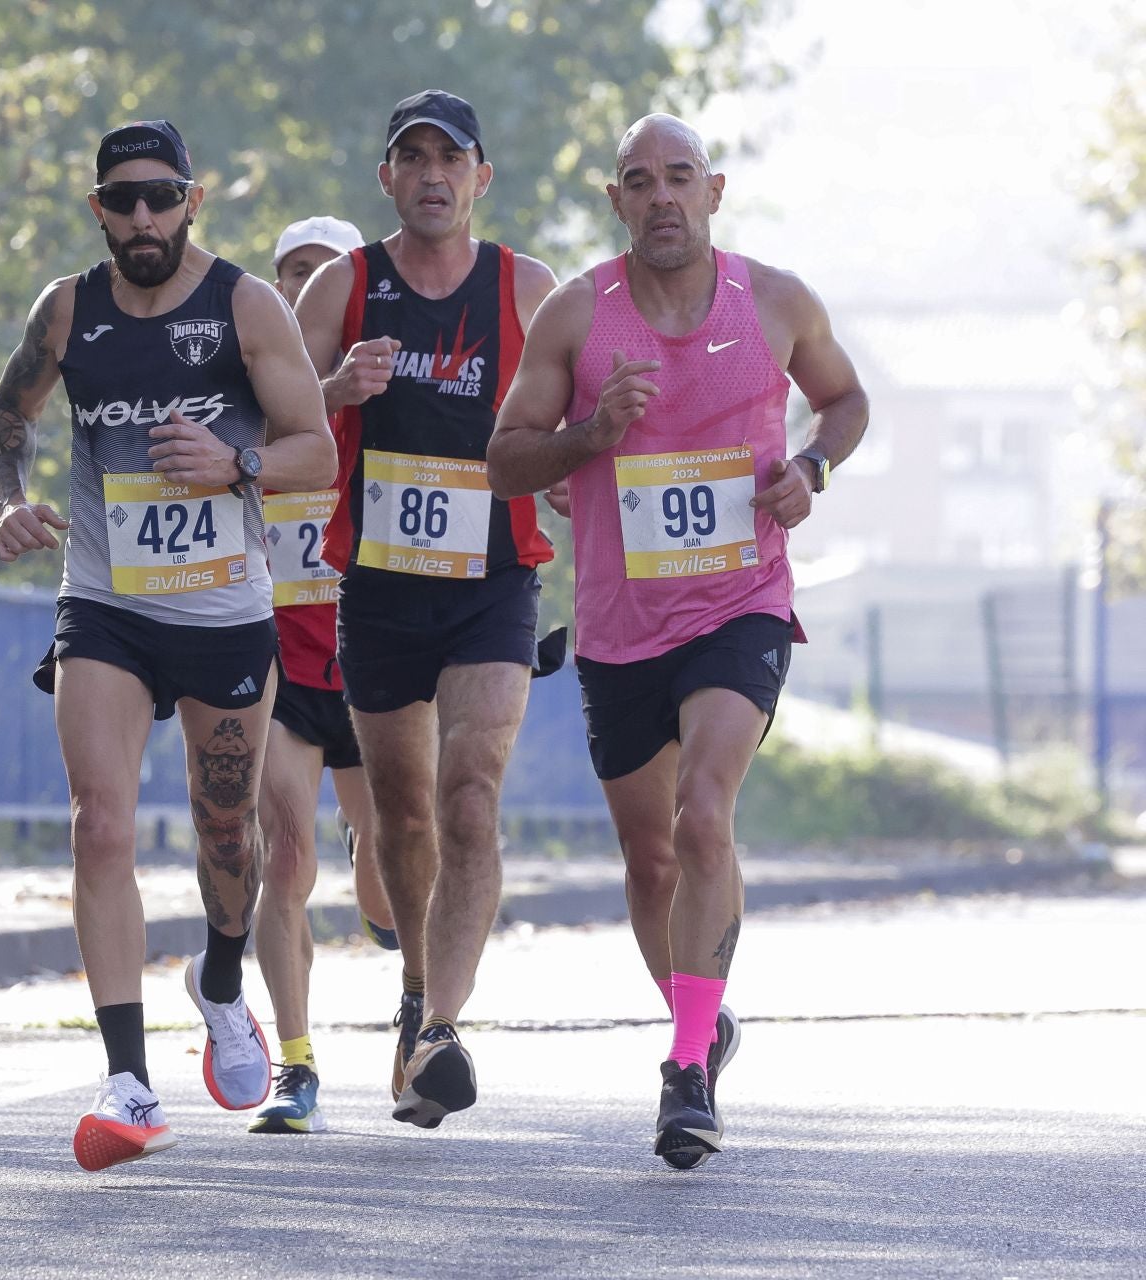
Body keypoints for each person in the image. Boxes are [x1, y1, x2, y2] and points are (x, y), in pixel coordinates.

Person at [487, 114, 868, 1168]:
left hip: (740, 604)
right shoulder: (576, 316)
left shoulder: (777, 300)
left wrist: (811, 471)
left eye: (680, 178)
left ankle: (687, 1066)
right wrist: (590, 436)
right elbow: (507, 459)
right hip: (619, 628)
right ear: (617, 202)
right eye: (639, 182)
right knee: (651, 854)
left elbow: (844, 400)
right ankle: (701, 1010)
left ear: (714, 191)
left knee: (706, 811)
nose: (662, 196)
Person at [0, 121, 335, 1171]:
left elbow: (314, 452)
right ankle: (128, 1081)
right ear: (98, 207)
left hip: (223, 607)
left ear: (192, 200)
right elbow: (11, 414)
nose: (144, 216)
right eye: (123, 198)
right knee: (100, 821)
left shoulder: (244, 304)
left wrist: (233, 461)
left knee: (228, 830)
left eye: (162, 196)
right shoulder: (67, 308)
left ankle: (223, 982)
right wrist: (9, 498)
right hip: (105, 603)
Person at [294, 90, 560, 1129]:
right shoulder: (343, 283)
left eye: (451, 157)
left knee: (469, 798)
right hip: (380, 586)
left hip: (494, 582)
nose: (433, 174)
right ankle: (413, 998)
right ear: (388, 178)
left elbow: (578, 414)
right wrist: (334, 390)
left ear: (481, 177)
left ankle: (443, 1026)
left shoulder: (527, 288)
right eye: (412, 157)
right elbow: (271, 407)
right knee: (400, 816)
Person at [250, 214, 399, 1137]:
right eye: (290, 277)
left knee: (385, 876)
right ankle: (295, 1066)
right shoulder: (249, 380)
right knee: (283, 855)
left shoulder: (396, 380)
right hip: (278, 657)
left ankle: (391, 928)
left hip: (375, 654)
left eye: (325, 275)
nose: (308, 291)